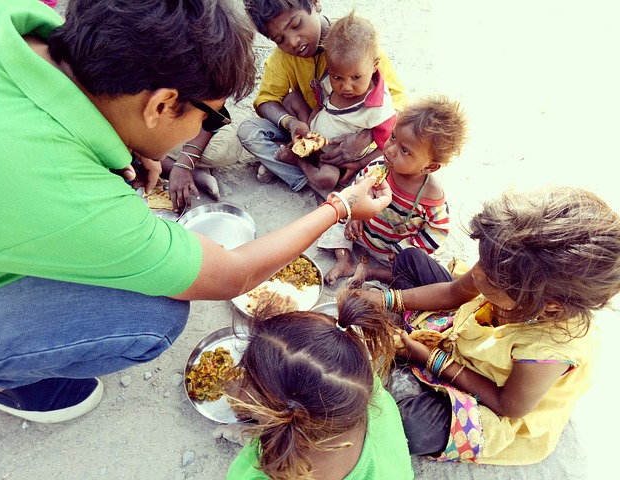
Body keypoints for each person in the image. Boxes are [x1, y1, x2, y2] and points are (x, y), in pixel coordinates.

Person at [0, 0, 391, 424]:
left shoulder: (8, 15)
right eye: (209, 114)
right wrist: (341, 204)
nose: (204, 128)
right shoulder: (72, 193)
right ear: (161, 105)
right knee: (154, 317)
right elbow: (231, 274)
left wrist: (119, 144)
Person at [359, 187, 620, 464]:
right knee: (410, 260)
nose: (478, 273)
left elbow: (507, 405)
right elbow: (454, 292)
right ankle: (409, 359)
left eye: (491, 279)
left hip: (490, 395)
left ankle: (411, 371)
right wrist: (384, 299)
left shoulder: (548, 350)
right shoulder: (504, 269)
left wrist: (429, 358)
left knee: (413, 426)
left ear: (550, 305)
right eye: (482, 261)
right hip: (459, 331)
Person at [225, 290, 414, 479]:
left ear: (281, 421)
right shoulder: (362, 390)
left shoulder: (258, 474)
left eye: (250, 384)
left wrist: (245, 400)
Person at [238, 0, 406, 193]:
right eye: (279, 39)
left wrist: (366, 137)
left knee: (383, 178)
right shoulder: (282, 57)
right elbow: (266, 99)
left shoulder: (357, 45)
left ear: (315, 3)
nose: (292, 42)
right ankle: (314, 180)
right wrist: (292, 123)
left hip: (344, 144)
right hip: (308, 127)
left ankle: (289, 165)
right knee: (248, 130)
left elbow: (398, 103)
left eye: (296, 25)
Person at [318, 96, 467, 287]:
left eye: (405, 150)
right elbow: (357, 190)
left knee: (408, 270)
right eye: (393, 137)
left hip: (389, 251)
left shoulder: (431, 197)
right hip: (362, 232)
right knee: (335, 220)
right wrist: (355, 217)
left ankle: (371, 272)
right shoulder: (379, 166)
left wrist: (401, 249)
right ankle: (344, 261)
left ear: (430, 167)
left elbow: (438, 231)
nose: (390, 150)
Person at [273, 11, 397, 193]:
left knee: (327, 180)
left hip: (331, 157)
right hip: (313, 135)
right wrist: (305, 132)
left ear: (375, 65)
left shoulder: (379, 108)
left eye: (356, 77)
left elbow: (385, 146)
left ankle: (297, 162)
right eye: (337, 77)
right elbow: (320, 105)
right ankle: (297, 153)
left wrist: (359, 164)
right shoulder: (331, 80)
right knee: (292, 98)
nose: (346, 86)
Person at [160, 110, 243, 207]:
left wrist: (184, 165)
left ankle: (187, 163)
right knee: (142, 153)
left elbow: (211, 116)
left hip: (191, 125)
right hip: (152, 134)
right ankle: (196, 174)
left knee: (227, 146)